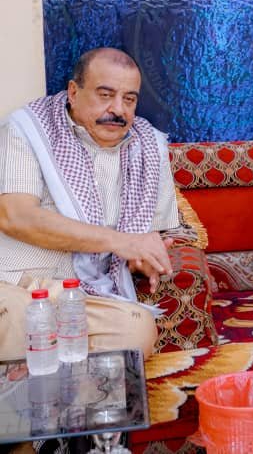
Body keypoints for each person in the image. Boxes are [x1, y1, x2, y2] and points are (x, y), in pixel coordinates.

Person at [0, 47, 177, 361]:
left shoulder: (149, 148)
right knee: (14, 318)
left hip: (82, 297)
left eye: (129, 99)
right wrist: (122, 241)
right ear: (73, 92)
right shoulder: (27, 130)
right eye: (105, 95)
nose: (118, 109)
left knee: (136, 331)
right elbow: (15, 217)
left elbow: (149, 240)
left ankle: (42, 362)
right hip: (14, 287)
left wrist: (144, 260)